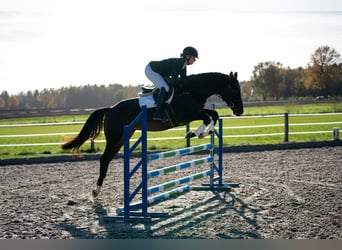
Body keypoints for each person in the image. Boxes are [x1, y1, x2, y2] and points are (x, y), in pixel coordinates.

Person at [145, 46, 199, 121]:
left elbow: (184, 80)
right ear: (187, 56)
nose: (195, 60)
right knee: (165, 87)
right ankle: (157, 113)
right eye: (194, 57)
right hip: (151, 70)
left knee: (168, 87)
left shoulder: (183, 66)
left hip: (159, 72)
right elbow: (174, 81)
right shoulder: (177, 63)